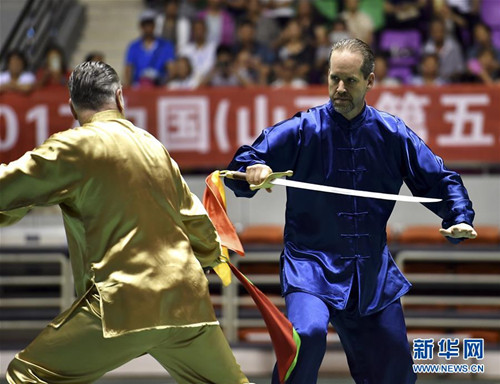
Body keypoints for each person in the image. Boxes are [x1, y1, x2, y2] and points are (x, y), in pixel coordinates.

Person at [224, 38, 477, 384]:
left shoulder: (392, 133)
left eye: (351, 81)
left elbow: (440, 179)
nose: (339, 89)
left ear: (370, 81)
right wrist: (252, 172)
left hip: (371, 273)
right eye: (334, 79)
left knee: (396, 369)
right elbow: (242, 164)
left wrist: (459, 216)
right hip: (310, 265)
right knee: (305, 336)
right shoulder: (304, 129)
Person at [2, 61, 250, 384]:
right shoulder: (154, 146)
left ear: (72, 108)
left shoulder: (74, 145)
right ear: (120, 98)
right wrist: (214, 258)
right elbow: (196, 221)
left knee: (27, 374)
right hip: (188, 303)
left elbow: (10, 187)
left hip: (122, 304)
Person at [124, 9, 175, 87]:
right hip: (138, 88)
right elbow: (128, 70)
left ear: (154, 25)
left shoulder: (165, 45)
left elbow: (171, 70)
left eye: (150, 24)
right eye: (145, 24)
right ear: (141, 26)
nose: (148, 27)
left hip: (159, 87)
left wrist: (162, 81)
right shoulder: (133, 47)